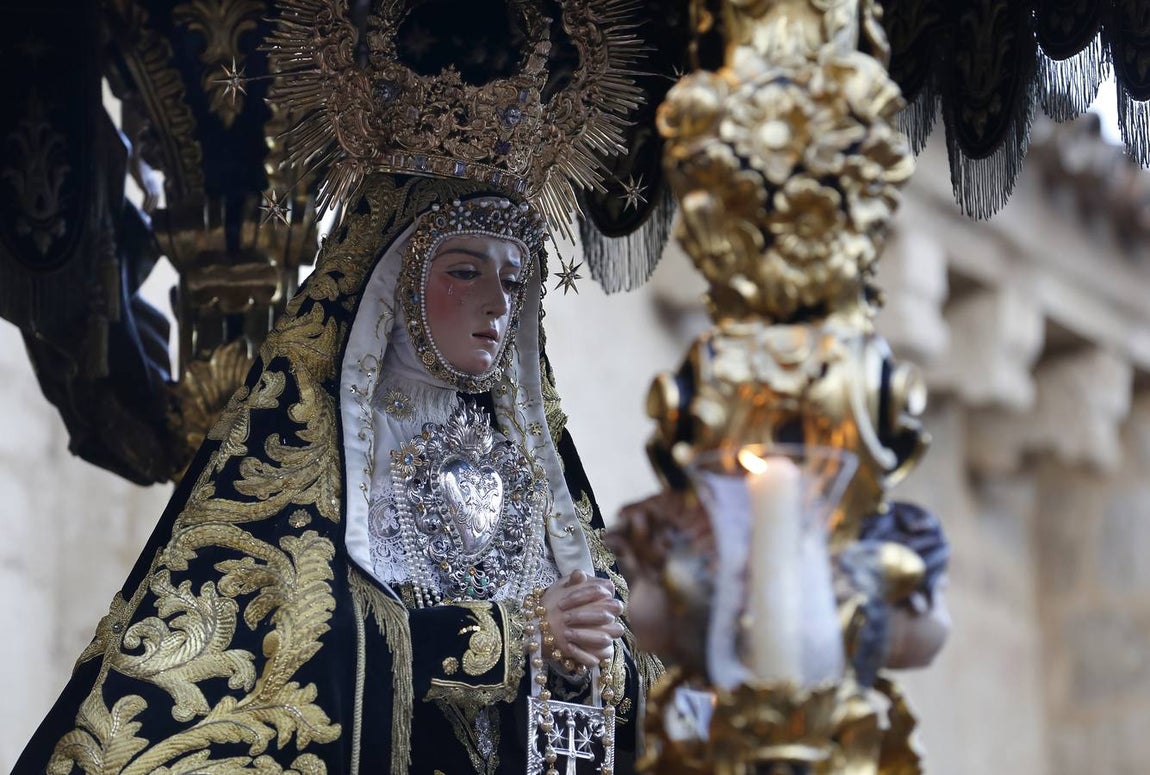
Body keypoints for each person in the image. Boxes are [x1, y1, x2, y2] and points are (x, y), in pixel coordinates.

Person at [15, 175, 658, 774]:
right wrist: (514, 634)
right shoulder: (310, 455)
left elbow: (634, 679)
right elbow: (289, 661)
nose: (496, 302)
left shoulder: (539, 465)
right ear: (395, 275)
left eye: (516, 283)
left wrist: (602, 656)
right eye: (464, 270)